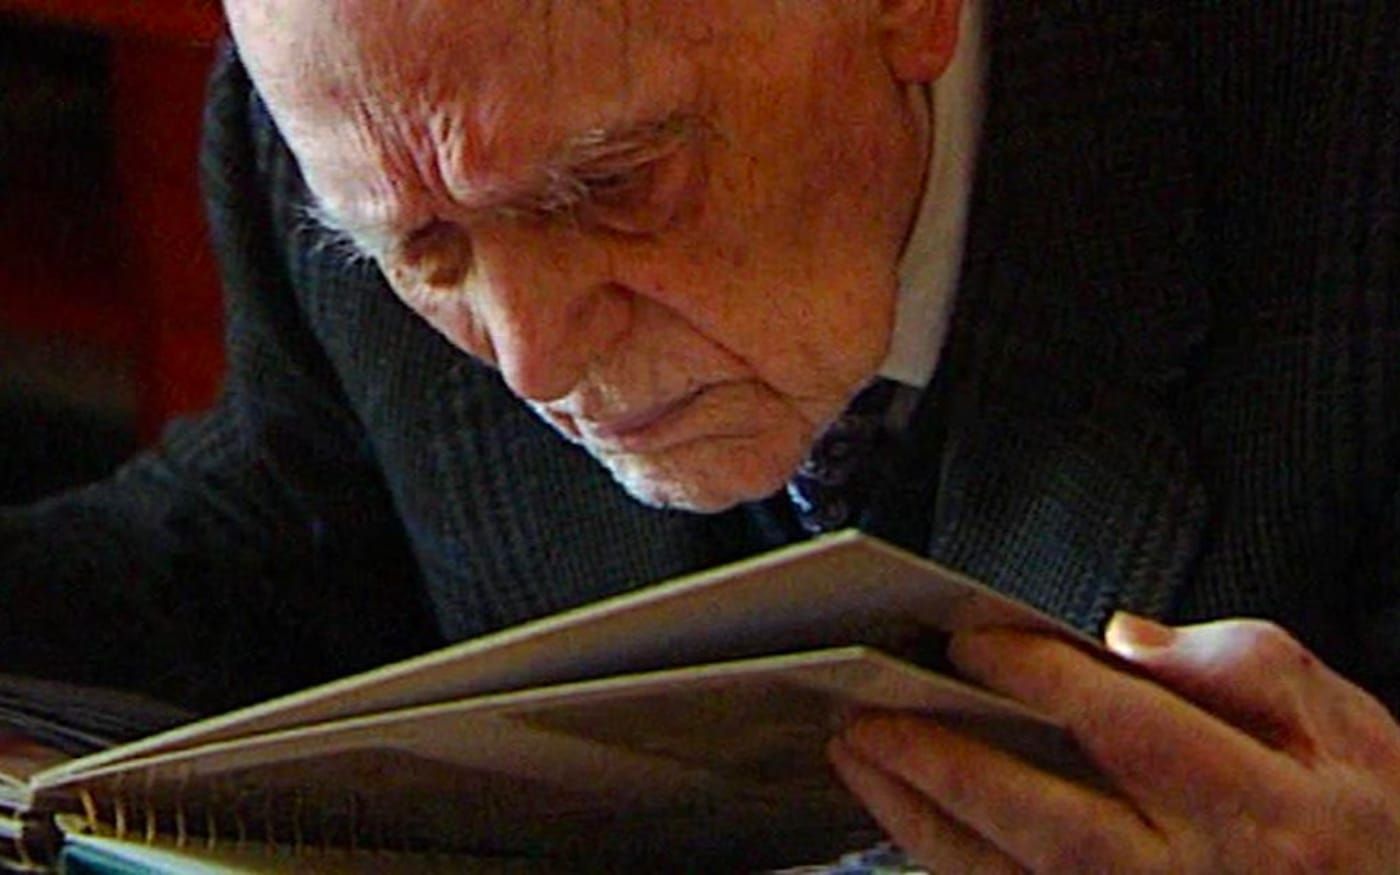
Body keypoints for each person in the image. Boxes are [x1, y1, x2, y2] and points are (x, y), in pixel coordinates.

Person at [2, 0, 1397, 870]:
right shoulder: (376, 124)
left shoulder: (1353, 150)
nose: (534, 358)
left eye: (614, 186)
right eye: (426, 254)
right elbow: (287, 533)